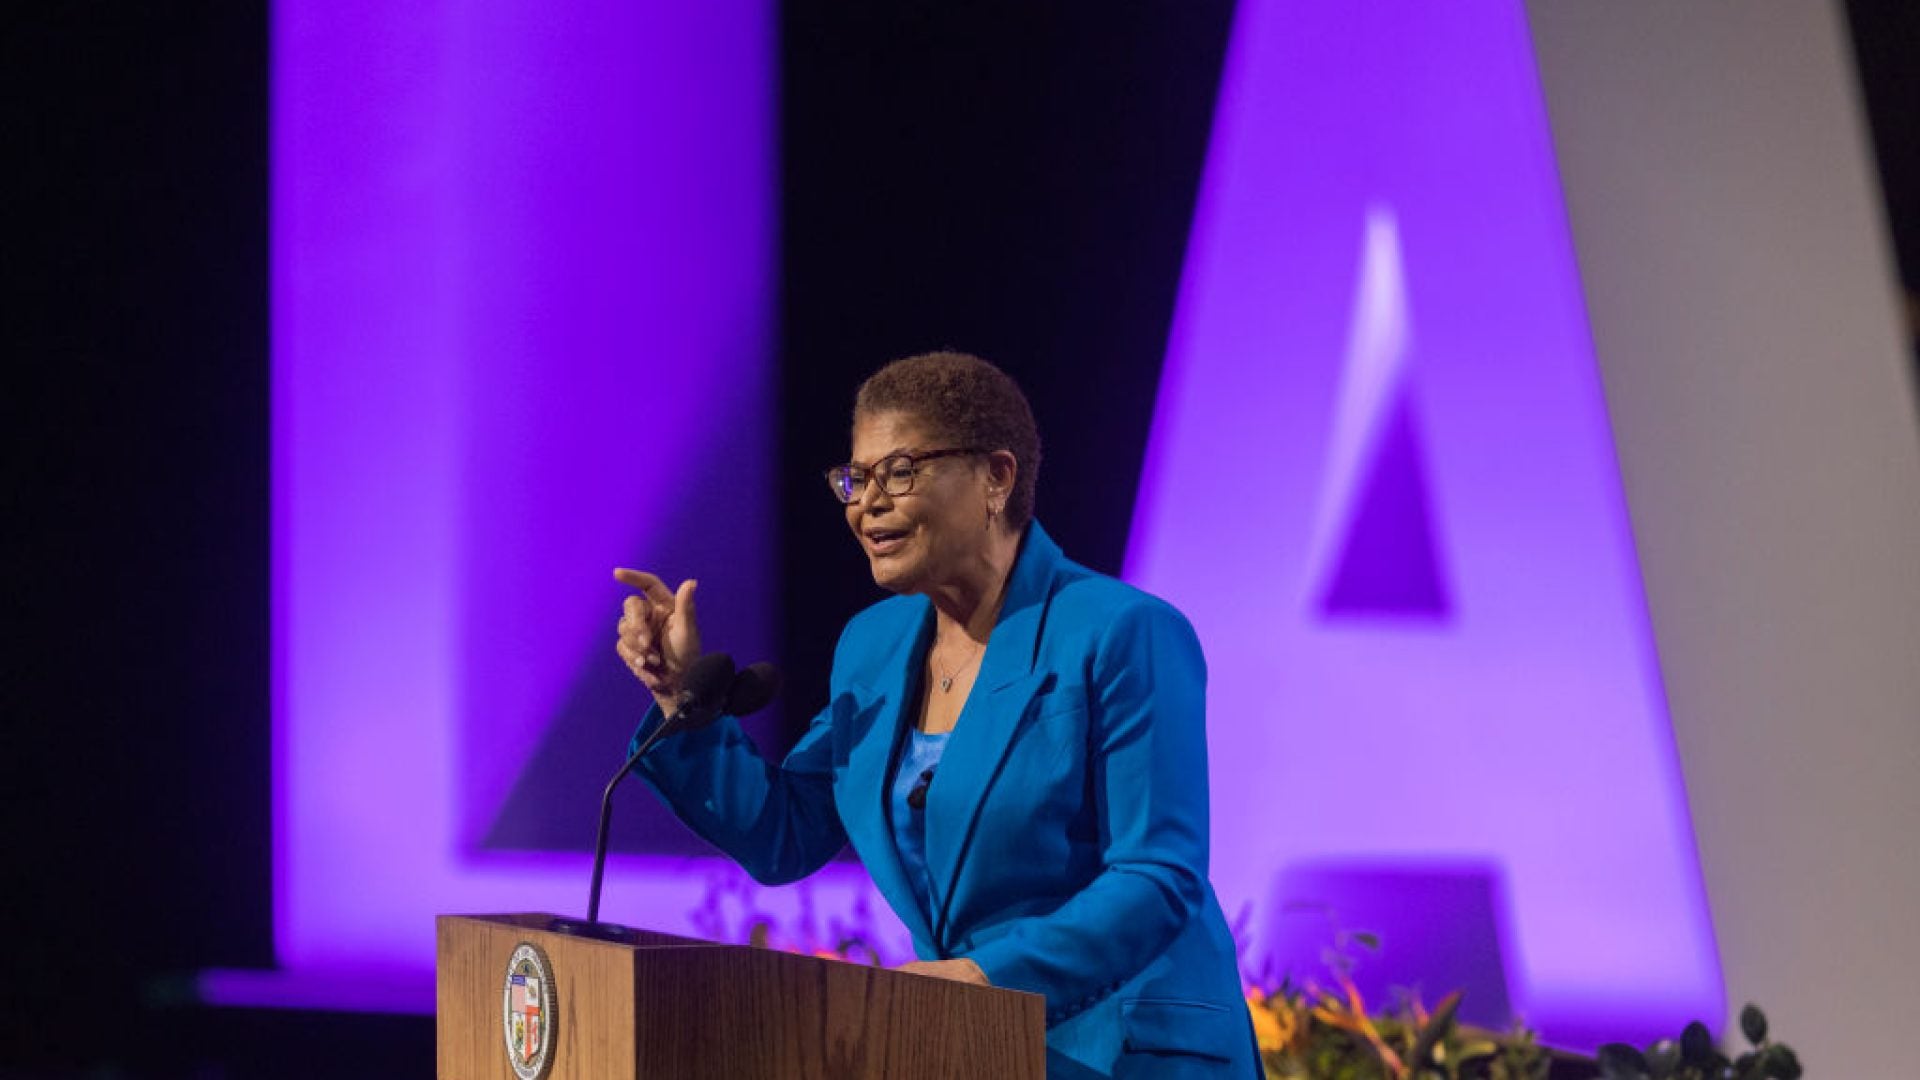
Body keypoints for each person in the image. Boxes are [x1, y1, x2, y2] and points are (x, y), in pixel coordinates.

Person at [613, 351, 1258, 1077]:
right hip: (974, 1044)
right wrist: (678, 698)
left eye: (901, 470)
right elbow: (784, 834)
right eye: (855, 479)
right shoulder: (875, 646)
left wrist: (986, 981)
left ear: (997, 477)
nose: (866, 503)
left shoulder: (1122, 631)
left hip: (1127, 1048)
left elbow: (1156, 874)